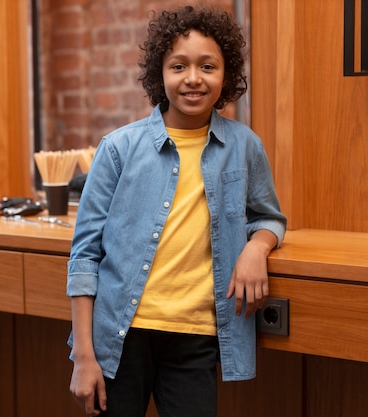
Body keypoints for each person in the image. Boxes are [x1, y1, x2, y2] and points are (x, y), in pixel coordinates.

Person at [66, 5, 287, 417]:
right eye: (178, 66)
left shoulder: (245, 146)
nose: (193, 78)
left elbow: (268, 216)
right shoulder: (118, 148)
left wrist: (258, 247)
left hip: (196, 335)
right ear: (159, 73)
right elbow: (84, 256)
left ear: (227, 74)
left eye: (208, 66)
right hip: (119, 335)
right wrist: (83, 356)